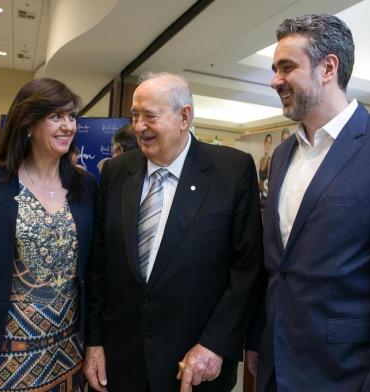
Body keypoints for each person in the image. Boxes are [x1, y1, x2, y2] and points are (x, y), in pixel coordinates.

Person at [84, 72, 264, 392]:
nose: (138, 126)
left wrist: (215, 344)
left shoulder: (232, 171)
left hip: (194, 365)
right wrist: (94, 343)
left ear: (184, 116)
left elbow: (247, 269)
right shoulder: (115, 172)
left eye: (149, 116)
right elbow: (99, 265)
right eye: (135, 115)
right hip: (122, 363)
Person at [247, 14, 370, 391]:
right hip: (275, 364)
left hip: (346, 374)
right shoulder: (281, 155)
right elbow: (278, 268)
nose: (275, 80)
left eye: (286, 67)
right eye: (275, 68)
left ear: (328, 68)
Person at [0, 78, 96, 391]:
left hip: (70, 351)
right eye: (56, 117)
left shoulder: (85, 186)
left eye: (72, 116)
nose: (68, 126)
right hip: (9, 354)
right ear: (27, 125)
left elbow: (95, 266)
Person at [258, 134, 272, 211]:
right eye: (267, 142)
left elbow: (270, 180)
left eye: (270, 142)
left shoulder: (271, 160)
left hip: (266, 197)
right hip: (260, 195)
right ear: (264, 143)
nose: (268, 145)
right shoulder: (261, 160)